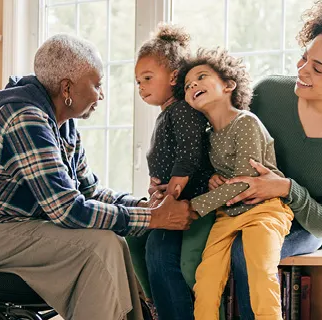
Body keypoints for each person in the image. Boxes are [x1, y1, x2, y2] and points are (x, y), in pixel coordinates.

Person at [148, 0, 322, 318]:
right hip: (234, 205)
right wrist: (176, 181)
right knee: (160, 240)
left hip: (298, 226)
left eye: (317, 68)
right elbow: (217, 145)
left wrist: (285, 188)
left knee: (247, 252)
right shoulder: (269, 92)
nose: (301, 70)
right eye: (304, 58)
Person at [0, 34, 198, 320]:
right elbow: (66, 209)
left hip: (7, 227)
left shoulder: (63, 126)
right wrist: (155, 219)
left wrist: (145, 207)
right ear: (67, 87)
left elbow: (89, 192)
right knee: (98, 245)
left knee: (111, 241)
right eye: (97, 84)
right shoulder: (25, 117)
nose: (101, 95)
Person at [176, 47, 294, 320]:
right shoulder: (206, 135)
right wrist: (210, 179)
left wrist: (191, 208)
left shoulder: (246, 122)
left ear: (229, 85)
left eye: (201, 77)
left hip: (263, 210)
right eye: (187, 85)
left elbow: (244, 183)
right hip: (227, 215)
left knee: (261, 274)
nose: (192, 84)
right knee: (205, 281)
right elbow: (214, 175)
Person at [126, 23, 216, 319]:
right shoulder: (168, 113)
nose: (141, 87)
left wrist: (171, 193)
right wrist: (156, 187)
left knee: (161, 251)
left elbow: (189, 156)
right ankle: (156, 306)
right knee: (138, 238)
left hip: (189, 201)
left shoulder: (183, 110)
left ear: (174, 76)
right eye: (138, 81)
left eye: (148, 78)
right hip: (171, 199)